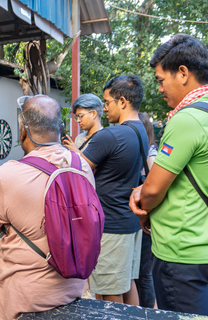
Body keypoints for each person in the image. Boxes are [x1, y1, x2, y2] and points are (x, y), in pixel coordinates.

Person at [129, 34, 208, 316]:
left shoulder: (188, 118)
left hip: (181, 253)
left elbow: (152, 190)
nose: (159, 88)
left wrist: (140, 201)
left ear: (182, 73)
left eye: (161, 80)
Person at [0, 95, 94, 320]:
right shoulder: (82, 167)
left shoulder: (7, 175)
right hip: (73, 290)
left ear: (23, 130)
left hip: (23, 300)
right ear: (61, 129)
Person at [81, 75, 148, 305]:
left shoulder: (110, 135)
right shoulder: (141, 132)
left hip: (110, 227)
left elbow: (76, 172)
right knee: (127, 284)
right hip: (129, 223)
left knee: (109, 295)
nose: (104, 108)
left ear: (122, 101)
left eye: (107, 102)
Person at [134, 112, 158, 308]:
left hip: (146, 219)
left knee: (144, 274)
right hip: (137, 219)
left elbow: (154, 185)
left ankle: (147, 313)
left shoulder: (151, 153)